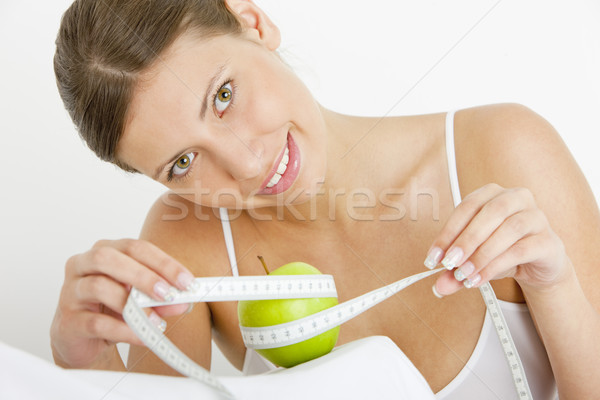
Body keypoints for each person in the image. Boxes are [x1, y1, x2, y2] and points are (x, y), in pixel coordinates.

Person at [50, 0, 600, 398]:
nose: (244, 165)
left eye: (223, 96)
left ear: (252, 21)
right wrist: (86, 367)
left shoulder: (503, 153)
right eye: (183, 163)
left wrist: (556, 287)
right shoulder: (184, 248)